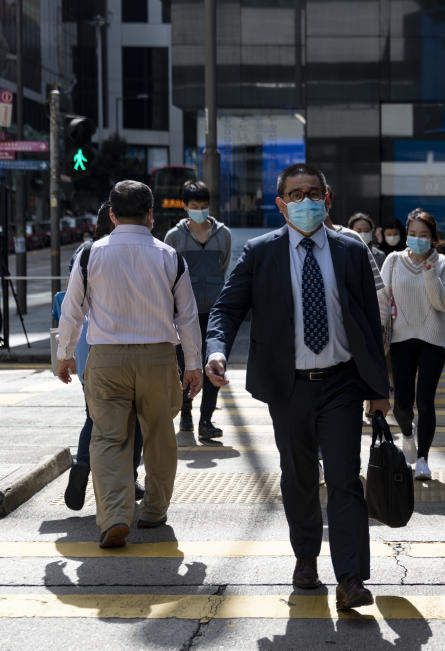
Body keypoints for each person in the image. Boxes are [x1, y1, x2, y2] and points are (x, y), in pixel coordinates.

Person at [205, 163, 389, 609]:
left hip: (342, 383)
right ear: (281, 203)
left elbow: (370, 322)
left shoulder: (351, 250)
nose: (305, 201)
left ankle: (350, 578)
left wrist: (379, 388)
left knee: (345, 479)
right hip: (288, 387)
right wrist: (216, 349)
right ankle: (305, 557)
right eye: (296, 194)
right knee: (299, 477)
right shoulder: (260, 252)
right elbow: (226, 309)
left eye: (313, 193)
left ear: (327, 200)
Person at [55, 180, 203, 548]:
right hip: (157, 357)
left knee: (107, 438)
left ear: (111, 214)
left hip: (106, 359)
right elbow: (187, 317)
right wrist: (194, 365)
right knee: (158, 435)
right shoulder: (171, 257)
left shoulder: (92, 255)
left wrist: (65, 354)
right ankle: (153, 510)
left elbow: (72, 310)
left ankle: (115, 517)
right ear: (151, 215)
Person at [60, 202, 144, 511]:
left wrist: (64, 353)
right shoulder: (138, 250)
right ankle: (130, 476)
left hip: (87, 346)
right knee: (132, 417)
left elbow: (71, 303)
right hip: (126, 345)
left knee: (93, 414)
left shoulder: (85, 251)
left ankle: (83, 465)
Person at [379, 208, 445, 479]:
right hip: (400, 339)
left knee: (425, 401)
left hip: (432, 340)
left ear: (433, 237)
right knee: (402, 402)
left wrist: (429, 274)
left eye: (423, 235)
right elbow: (382, 297)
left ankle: (423, 459)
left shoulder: (444, 264)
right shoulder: (392, 260)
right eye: (412, 234)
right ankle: (407, 433)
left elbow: (444, 303)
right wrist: (379, 332)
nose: (417, 239)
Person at [164, 180, 232, 439]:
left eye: (204, 206)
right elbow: (169, 272)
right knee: (185, 364)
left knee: (214, 364)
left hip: (215, 310)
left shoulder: (223, 234)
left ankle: (206, 420)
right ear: (185, 206)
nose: (200, 211)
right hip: (184, 313)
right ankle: (186, 414)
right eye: (194, 206)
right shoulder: (174, 236)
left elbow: (223, 265)